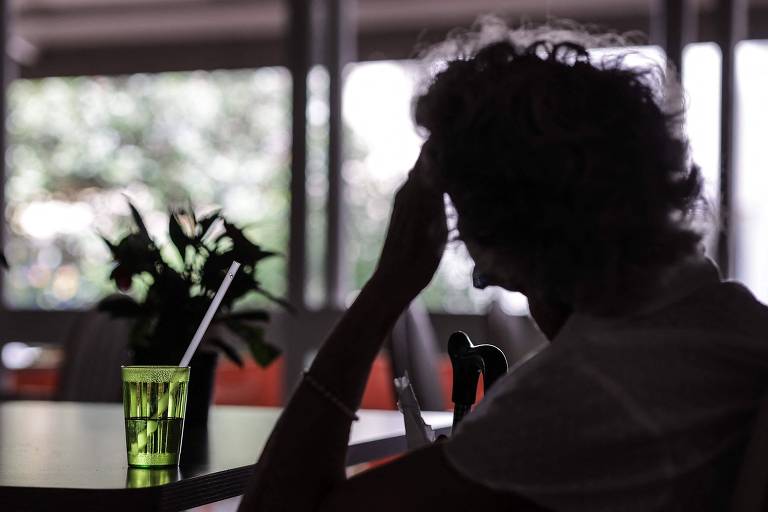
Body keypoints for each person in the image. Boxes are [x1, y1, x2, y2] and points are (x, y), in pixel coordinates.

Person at [238, 23, 768, 512]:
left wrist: (387, 287)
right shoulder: (731, 325)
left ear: (518, 231)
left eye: (474, 234)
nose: (480, 276)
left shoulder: (587, 392)